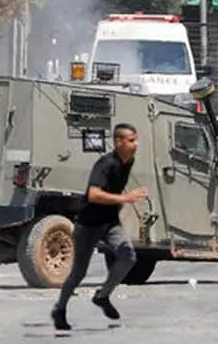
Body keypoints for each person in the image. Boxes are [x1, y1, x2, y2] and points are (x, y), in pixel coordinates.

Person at [52, 123, 148, 331]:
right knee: (78, 274)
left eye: (136, 139)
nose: (136, 144)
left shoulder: (128, 161)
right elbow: (93, 195)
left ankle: (102, 296)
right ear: (118, 142)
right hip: (88, 224)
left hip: (110, 222)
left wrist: (121, 203)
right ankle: (59, 309)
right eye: (131, 140)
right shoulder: (106, 164)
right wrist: (125, 198)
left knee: (128, 256)